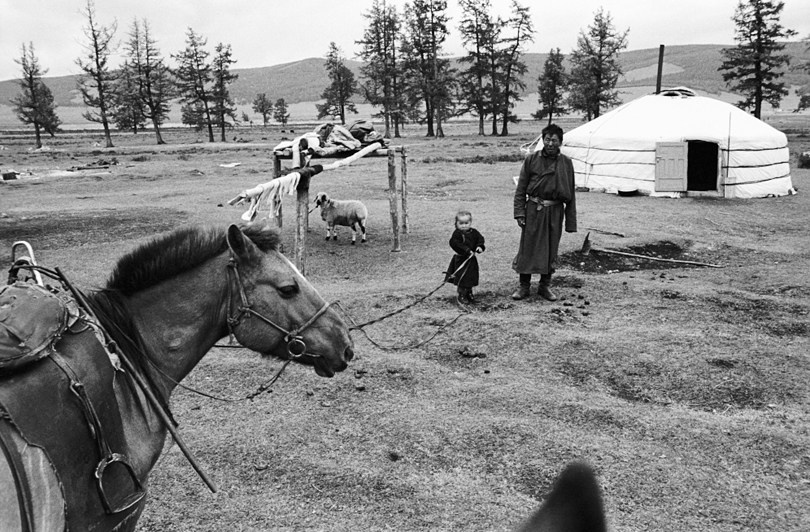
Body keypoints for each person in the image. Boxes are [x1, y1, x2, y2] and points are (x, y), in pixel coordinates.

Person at [512, 123, 577, 301]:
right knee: (528, 248)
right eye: (547, 139)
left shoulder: (566, 163)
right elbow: (521, 189)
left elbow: (570, 193)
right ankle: (524, 286)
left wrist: (571, 222)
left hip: (555, 211)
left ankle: (544, 286)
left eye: (554, 140)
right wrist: (520, 212)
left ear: (560, 142)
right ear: (543, 140)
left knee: (550, 248)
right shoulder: (531, 160)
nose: (550, 143)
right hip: (534, 209)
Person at [444, 210, 485, 305]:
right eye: (461, 223)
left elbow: (480, 239)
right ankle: (462, 294)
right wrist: (466, 250)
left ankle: (469, 293)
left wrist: (479, 247)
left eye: (466, 223)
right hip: (461, 259)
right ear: (456, 223)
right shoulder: (457, 234)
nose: (464, 225)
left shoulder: (474, 232)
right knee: (462, 277)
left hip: (471, 260)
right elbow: (455, 243)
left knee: (471, 276)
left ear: (470, 222)